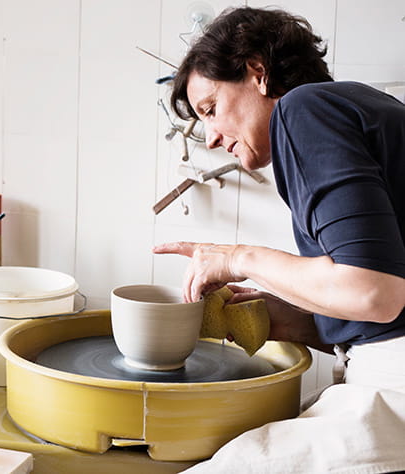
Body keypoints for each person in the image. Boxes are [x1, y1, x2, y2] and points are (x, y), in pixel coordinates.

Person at [152, 6, 405, 473]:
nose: (210, 137)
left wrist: (237, 257)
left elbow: (374, 293)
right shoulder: (365, 110)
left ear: (257, 71)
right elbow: (385, 305)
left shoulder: (304, 108)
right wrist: (293, 319)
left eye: (211, 109)